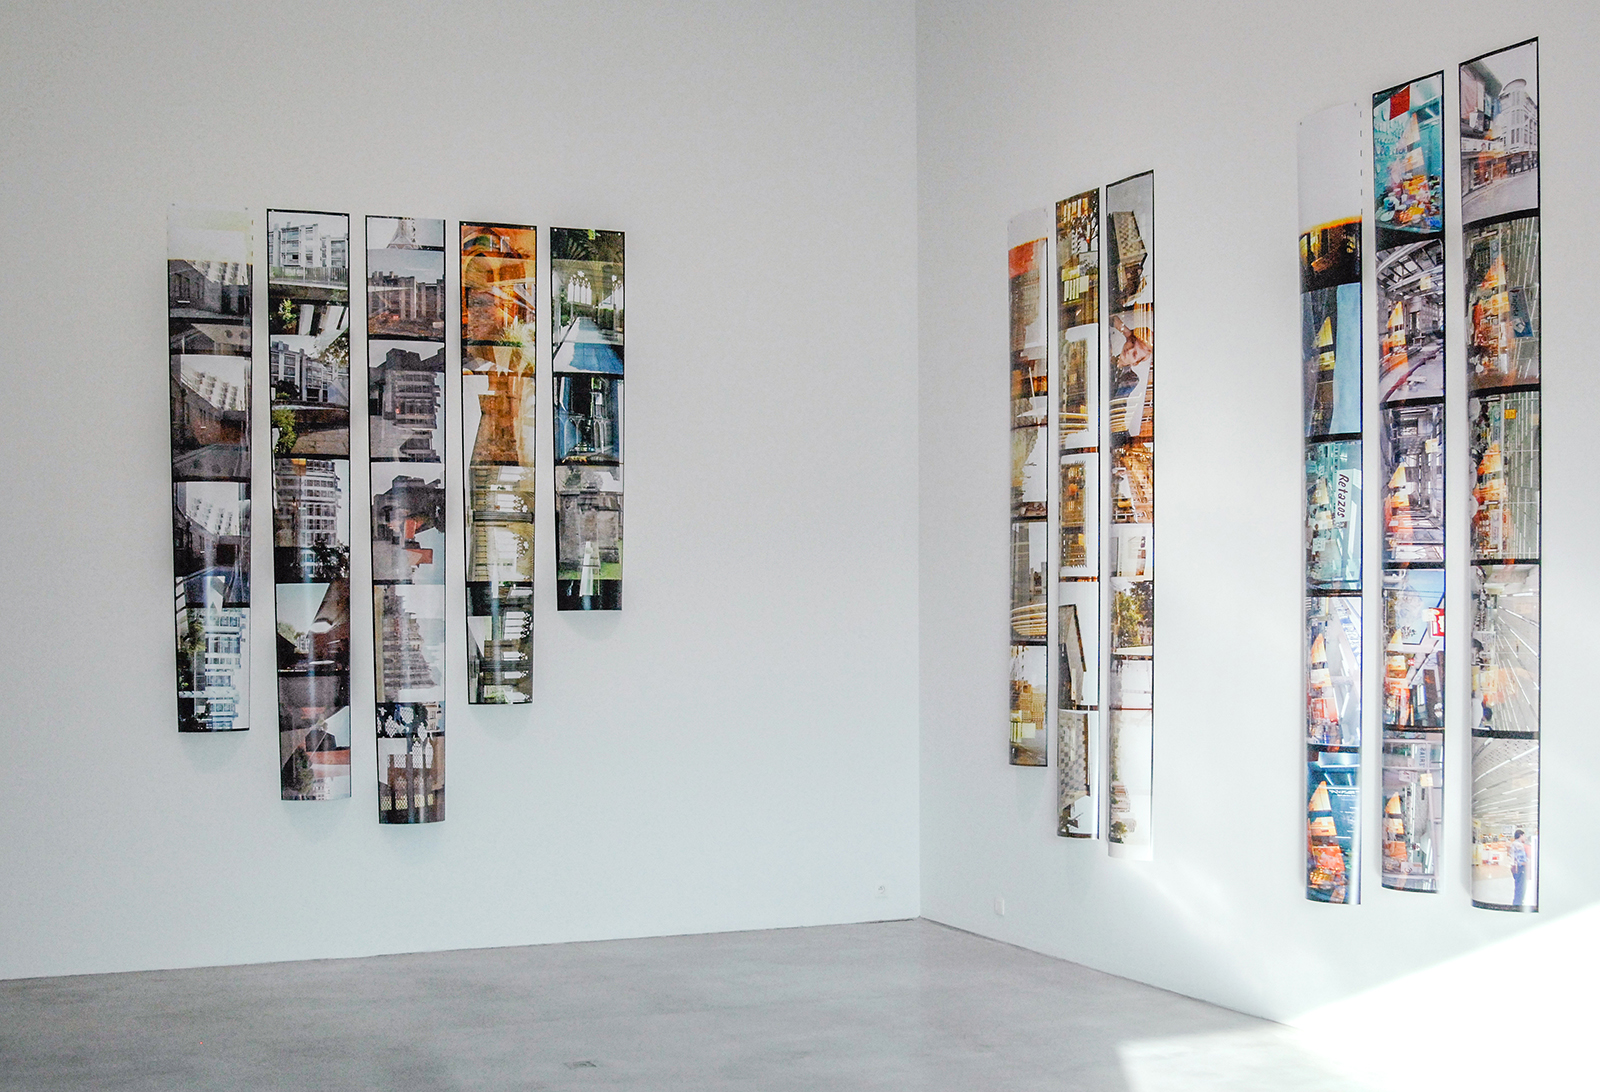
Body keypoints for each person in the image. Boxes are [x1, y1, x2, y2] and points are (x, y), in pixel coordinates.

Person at [1509, 829, 1529, 907]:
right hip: (1520, 868)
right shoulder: (1519, 845)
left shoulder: (1513, 844)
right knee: (1521, 888)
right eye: (1524, 836)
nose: (1525, 838)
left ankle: (1516, 904)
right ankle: (1518, 905)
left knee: (1518, 887)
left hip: (1515, 868)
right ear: (1521, 835)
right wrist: (1527, 864)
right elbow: (1522, 860)